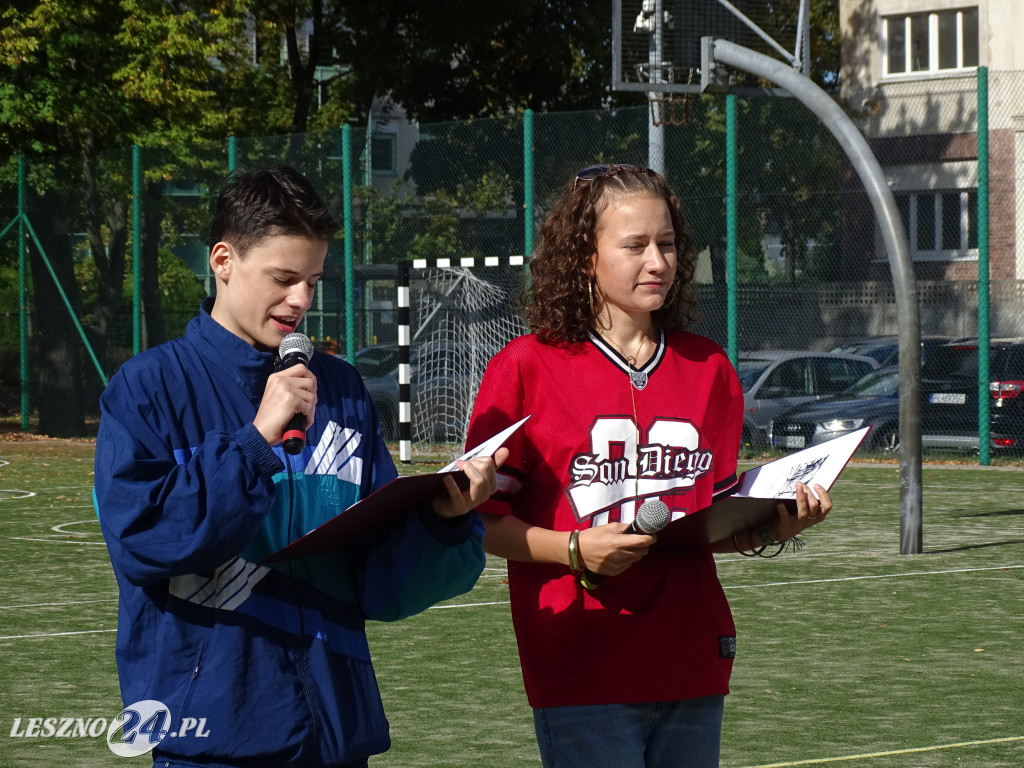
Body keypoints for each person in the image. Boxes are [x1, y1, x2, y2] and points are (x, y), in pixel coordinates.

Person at [95, 164, 505, 768]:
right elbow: (147, 541)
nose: (301, 301)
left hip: (337, 732)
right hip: (210, 738)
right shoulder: (147, 389)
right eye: (284, 278)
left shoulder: (338, 388)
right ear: (223, 260)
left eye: (313, 280)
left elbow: (380, 581)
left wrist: (441, 518)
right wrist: (257, 441)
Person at [464, 163, 832, 768]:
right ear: (586, 255)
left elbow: (706, 523)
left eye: (666, 244)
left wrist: (773, 524)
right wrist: (573, 551)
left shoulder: (709, 367)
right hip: (582, 660)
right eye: (634, 245)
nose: (658, 262)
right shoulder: (526, 366)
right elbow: (477, 521)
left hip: (691, 654)